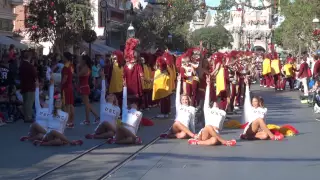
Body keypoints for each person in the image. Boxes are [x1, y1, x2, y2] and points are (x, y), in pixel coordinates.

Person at [20, 78, 82, 146]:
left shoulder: (65, 114)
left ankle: (43, 143)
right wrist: (50, 86)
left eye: (59, 102)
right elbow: (46, 99)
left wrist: (61, 136)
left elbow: (63, 127)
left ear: (62, 104)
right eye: (57, 102)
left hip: (56, 135)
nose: (58, 103)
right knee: (50, 131)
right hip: (49, 133)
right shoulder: (50, 111)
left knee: (58, 141)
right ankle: (70, 142)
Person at [188, 75, 237, 146]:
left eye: (218, 100)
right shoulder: (207, 109)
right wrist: (208, 85)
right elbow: (206, 98)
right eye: (215, 100)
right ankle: (225, 142)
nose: (217, 101)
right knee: (208, 126)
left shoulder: (222, 112)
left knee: (214, 140)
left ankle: (197, 142)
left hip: (215, 133)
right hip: (205, 132)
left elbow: (220, 127)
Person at [85, 69, 120, 139]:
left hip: (111, 129)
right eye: (109, 95)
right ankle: (118, 134)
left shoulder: (117, 108)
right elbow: (103, 90)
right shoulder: (103, 104)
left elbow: (116, 120)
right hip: (101, 127)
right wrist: (103, 78)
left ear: (114, 99)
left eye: (112, 95)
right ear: (106, 97)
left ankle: (95, 136)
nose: (110, 95)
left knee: (110, 133)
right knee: (105, 122)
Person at [160, 75, 196, 139]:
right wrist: (179, 82)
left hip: (185, 128)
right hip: (176, 127)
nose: (185, 101)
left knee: (183, 135)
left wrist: (194, 131)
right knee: (177, 122)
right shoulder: (179, 106)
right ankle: (193, 135)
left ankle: (170, 136)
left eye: (186, 99)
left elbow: (192, 122)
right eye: (183, 99)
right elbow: (177, 95)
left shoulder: (192, 109)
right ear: (181, 101)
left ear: (188, 100)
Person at [108, 78, 143, 144]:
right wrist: (125, 87)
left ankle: (118, 141)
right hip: (122, 129)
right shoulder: (125, 110)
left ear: (138, 106)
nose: (134, 104)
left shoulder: (139, 113)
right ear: (130, 104)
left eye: (136, 103)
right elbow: (124, 98)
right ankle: (135, 138)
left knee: (130, 139)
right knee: (120, 127)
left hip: (131, 130)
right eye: (133, 103)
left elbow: (137, 125)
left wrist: (134, 133)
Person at [77, 55, 100, 125]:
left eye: (81, 59)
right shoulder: (85, 67)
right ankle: (96, 117)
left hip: (84, 87)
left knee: (86, 104)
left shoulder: (85, 68)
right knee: (87, 104)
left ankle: (87, 120)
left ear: (84, 61)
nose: (79, 60)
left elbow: (78, 75)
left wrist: (77, 67)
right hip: (84, 86)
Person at [19, 50, 37, 123]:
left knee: (25, 101)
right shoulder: (30, 66)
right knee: (29, 102)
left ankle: (26, 116)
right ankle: (28, 117)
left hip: (24, 85)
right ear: (29, 57)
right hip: (30, 86)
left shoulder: (21, 65)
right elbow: (34, 75)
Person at [61, 52, 75, 128]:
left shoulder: (66, 67)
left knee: (67, 105)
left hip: (66, 87)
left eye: (63, 57)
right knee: (71, 105)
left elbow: (65, 78)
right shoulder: (71, 65)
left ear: (66, 58)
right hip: (70, 87)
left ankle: (67, 122)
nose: (62, 58)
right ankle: (71, 122)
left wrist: (61, 84)